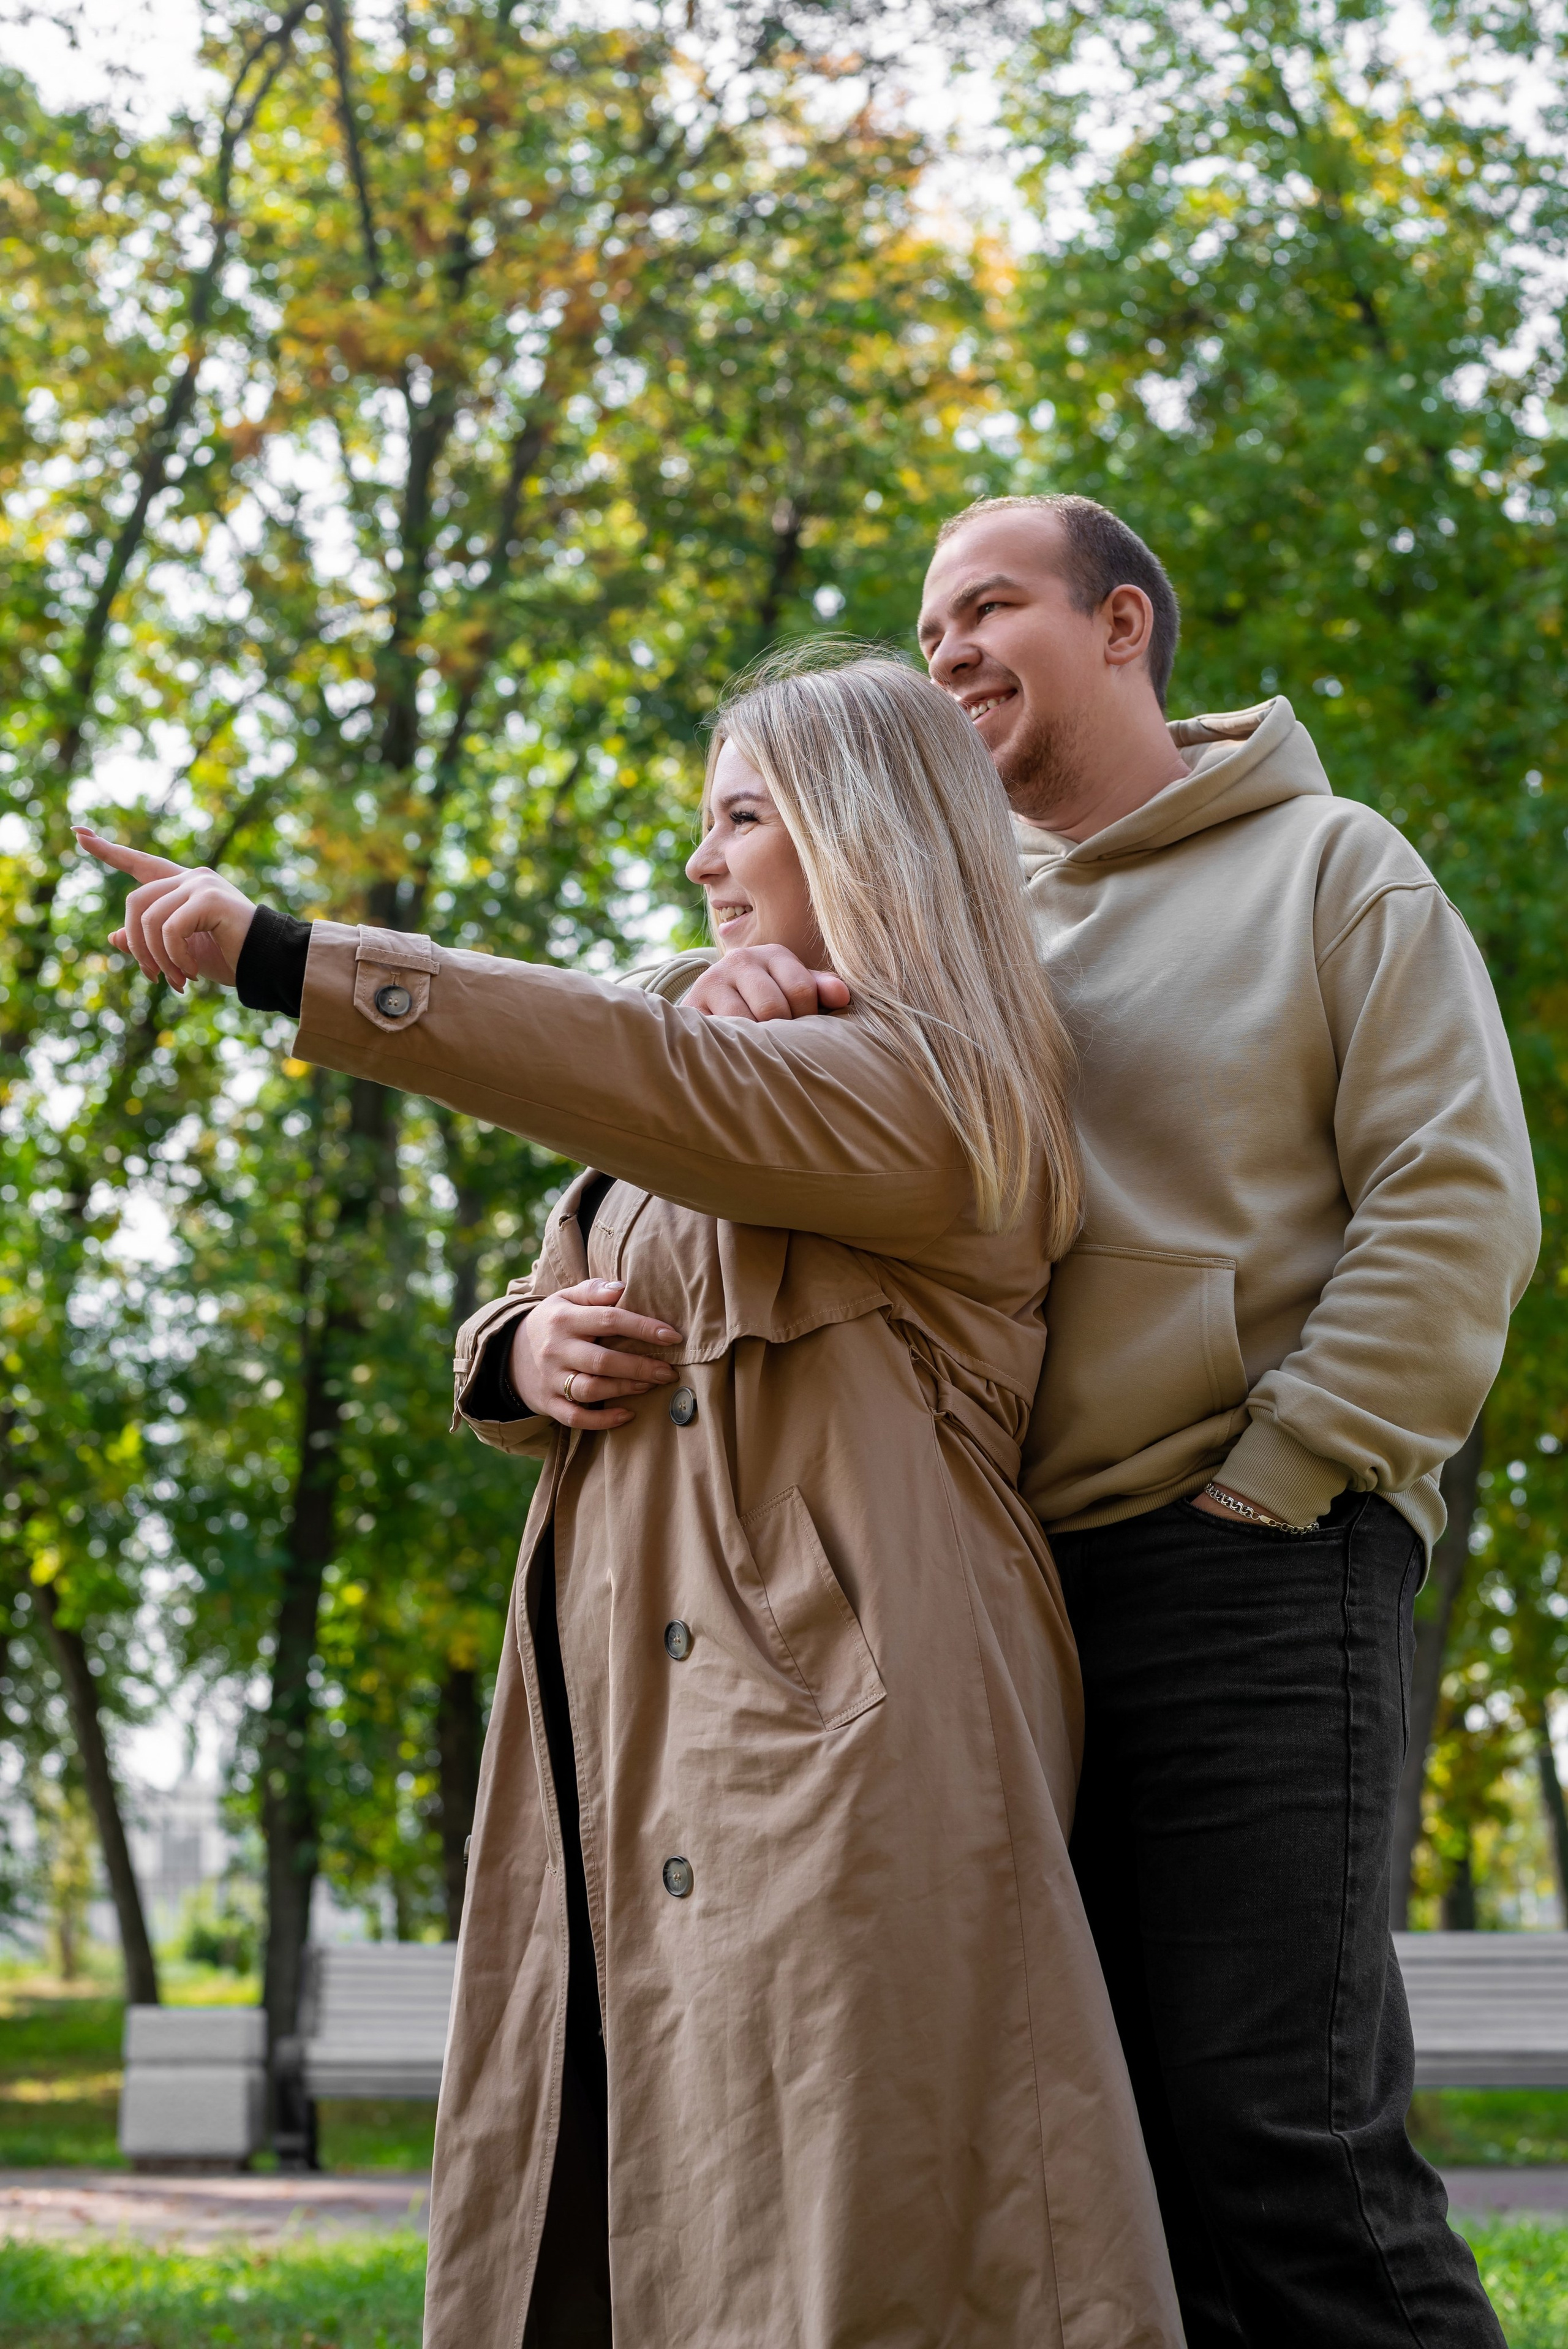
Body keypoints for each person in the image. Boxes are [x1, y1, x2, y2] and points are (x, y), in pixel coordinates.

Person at [514, 499, 1542, 2349]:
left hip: (1250, 1567)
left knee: (1279, 2133)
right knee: (1107, 2158)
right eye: (926, 628)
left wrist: (1289, 1466)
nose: (950, 650)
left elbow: (1459, 1199)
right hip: (996, 1601)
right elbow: (678, 1117)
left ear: (1125, 622)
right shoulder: (937, 929)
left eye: (991, 605)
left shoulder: (1330, 869)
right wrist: (526, 1319)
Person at [77, 651, 1185, 2349]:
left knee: (852, 2229)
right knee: (634, 2209)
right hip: (633, 1730)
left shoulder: (945, 1090)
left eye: (738, 816)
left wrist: (281, 955)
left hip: (843, 1744)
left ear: (861, 833)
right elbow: (580, 1244)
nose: (700, 861)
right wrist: (518, 1351)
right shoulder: (732, 1055)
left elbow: (656, 1089)